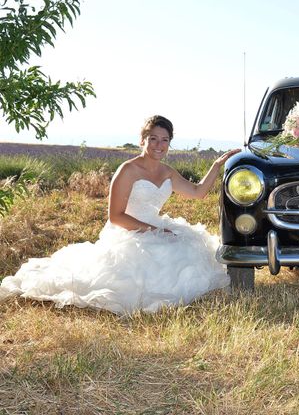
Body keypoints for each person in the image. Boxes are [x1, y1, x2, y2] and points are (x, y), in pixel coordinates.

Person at [0, 115, 240, 315]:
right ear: (142, 140)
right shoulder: (128, 170)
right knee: (144, 267)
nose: (159, 145)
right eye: (153, 139)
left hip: (155, 225)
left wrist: (217, 165)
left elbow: (198, 192)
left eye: (165, 140)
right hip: (129, 231)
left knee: (188, 248)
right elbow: (116, 216)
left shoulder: (168, 172)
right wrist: (154, 230)